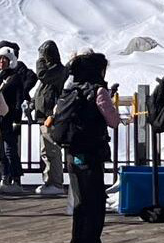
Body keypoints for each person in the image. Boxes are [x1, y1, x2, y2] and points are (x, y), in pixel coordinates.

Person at [61, 50, 120, 243]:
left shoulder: (72, 88)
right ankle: (92, 238)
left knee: (80, 201)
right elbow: (113, 121)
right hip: (91, 152)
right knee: (94, 201)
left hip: (72, 152)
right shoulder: (98, 91)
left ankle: (77, 238)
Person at [0, 44, 30, 193]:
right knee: (1, 150)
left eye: (5, 59)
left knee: (10, 150)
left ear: (10, 61)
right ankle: (5, 177)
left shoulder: (14, 77)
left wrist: (17, 119)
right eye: (0, 59)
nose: (2, 62)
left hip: (10, 118)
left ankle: (15, 179)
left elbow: (18, 99)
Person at [34, 40, 68, 196]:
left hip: (51, 116)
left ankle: (56, 182)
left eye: (44, 55)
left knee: (52, 151)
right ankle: (49, 181)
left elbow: (42, 75)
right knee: (45, 151)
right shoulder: (54, 71)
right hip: (44, 116)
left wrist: (40, 61)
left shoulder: (57, 71)